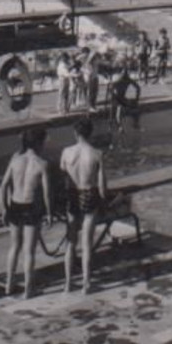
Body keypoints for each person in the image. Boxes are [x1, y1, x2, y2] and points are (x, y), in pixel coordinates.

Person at [0, 127, 53, 299]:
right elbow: (46, 193)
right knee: (29, 251)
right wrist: (49, 213)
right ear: (37, 143)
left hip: (15, 204)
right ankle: (28, 290)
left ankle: (8, 284)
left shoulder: (16, 158)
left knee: (14, 247)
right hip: (31, 208)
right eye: (43, 142)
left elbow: (3, 185)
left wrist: (4, 208)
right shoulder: (42, 164)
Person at [59, 118, 109, 294]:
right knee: (86, 243)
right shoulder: (97, 153)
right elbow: (102, 187)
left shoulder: (66, 152)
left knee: (70, 241)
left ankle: (67, 284)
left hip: (73, 194)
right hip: (89, 193)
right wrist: (104, 202)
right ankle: (86, 284)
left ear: (75, 133)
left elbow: (62, 179)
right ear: (90, 133)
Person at [109, 65, 142, 130]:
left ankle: (135, 124)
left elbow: (138, 88)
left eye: (126, 74)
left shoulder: (128, 80)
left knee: (136, 107)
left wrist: (137, 98)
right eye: (124, 74)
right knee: (119, 109)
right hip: (116, 98)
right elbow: (110, 88)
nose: (125, 75)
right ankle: (119, 126)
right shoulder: (118, 80)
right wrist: (114, 93)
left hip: (122, 98)